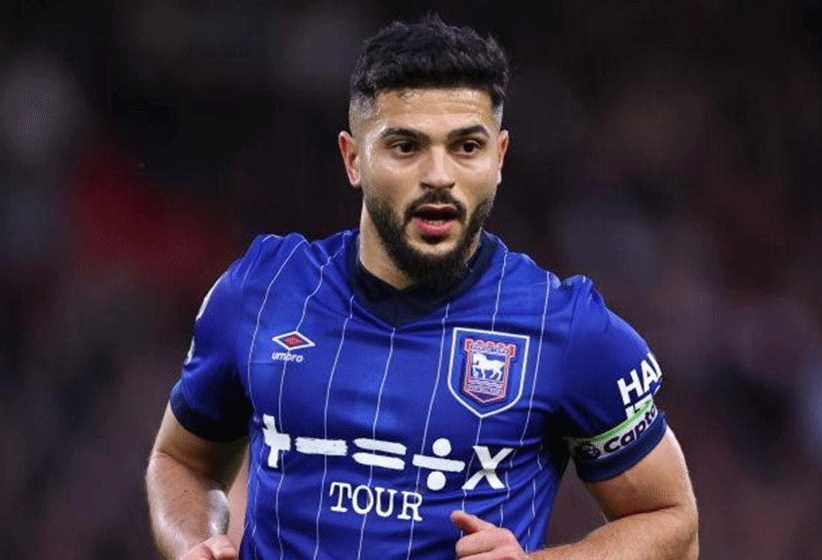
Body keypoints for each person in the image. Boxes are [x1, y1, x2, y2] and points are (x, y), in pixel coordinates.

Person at [145, 14, 698, 560]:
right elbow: (181, 461)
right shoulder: (260, 293)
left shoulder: (570, 330)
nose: (438, 175)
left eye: (466, 147)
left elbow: (672, 523)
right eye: (406, 147)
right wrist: (194, 544)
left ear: (499, 158)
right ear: (353, 159)